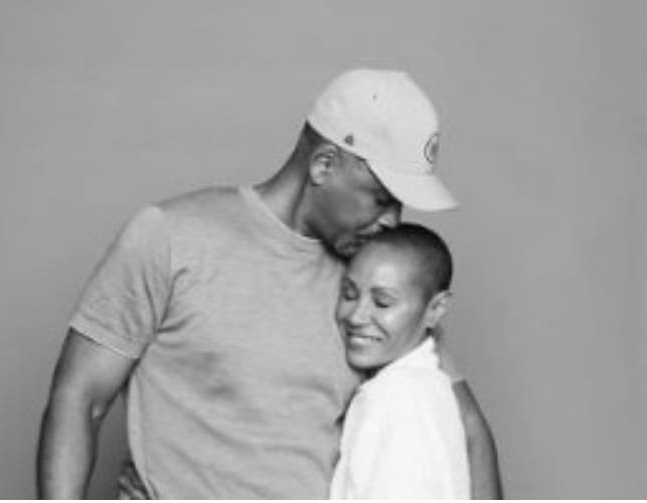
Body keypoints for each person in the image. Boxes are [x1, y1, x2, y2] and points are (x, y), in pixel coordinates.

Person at [37, 68, 502, 499]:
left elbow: (466, 426)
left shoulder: (378, 287)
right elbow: (80, 397)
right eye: (381, 199)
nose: (392, 222)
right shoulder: (170, 236)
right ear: (323, 165)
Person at [331, 223, 469, 498]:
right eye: (349, 294)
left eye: (382, 302)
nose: (356, 316)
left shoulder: (400, 396)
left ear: (435, 309)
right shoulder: (419, 388)